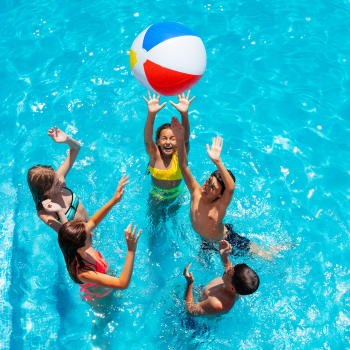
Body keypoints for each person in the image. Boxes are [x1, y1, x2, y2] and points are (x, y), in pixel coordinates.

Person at [171, 117, 271, 258]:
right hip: (204, 241)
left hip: (225, 240)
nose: (206, 186)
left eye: (213, 187)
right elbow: (183, 166)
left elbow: (230, 188)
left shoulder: (219, 205)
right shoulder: (196, 192)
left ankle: (276, 249)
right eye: (208, 180)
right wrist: (179, 139)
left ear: (219, 195)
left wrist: (217, 161)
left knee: (262, 255)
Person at [27, 126, 88, 233]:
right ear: (46, 191)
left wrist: (67, 140)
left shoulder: (59, 179)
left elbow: (77, 148)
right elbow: (68, 236)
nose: (60, 180)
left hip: (91, 226)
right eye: (56, 183)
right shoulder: (45, 213)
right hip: (81, 243)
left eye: (57, 178)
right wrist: (60, 211)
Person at [183, 240, 259, 316]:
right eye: (231, 268)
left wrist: (189, 284)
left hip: (196, 317)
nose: (226, 270)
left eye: (228, 272)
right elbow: (230, 269)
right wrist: (224, 256)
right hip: (201, 293)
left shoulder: (216, 303)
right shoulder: (238, 287)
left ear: (232, 289)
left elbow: (189, 310)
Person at [143, 91, 195, 202]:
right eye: (164, 138)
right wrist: (151, 114)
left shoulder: (179, 156)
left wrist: (184, 114)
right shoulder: (154, 155)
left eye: (173, 138)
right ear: (158, 141)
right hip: (155, 196)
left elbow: (185, 140)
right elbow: (147, 140)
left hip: (176, 197)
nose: (168, 142)